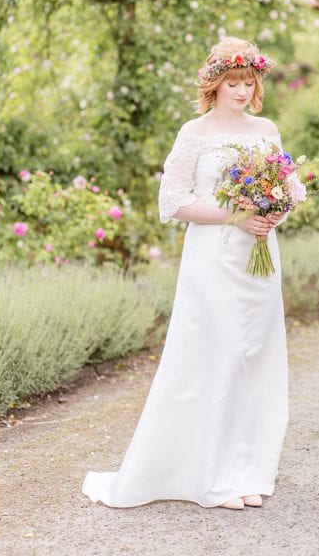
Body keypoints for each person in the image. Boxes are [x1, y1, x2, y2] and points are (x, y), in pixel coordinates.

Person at [82, 36, 287, 511]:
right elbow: (171, 202)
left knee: (254, 357)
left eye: (248, 82)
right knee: (219, 354)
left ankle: (245, 469)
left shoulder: (267, 128)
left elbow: (285, 185)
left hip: (260, 256)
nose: (241, 90)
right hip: (213, 260)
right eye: (233, 82)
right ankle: (211, 478)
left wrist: (272, 213)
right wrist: (233, 215)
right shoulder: (194, 133)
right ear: (215, 84)